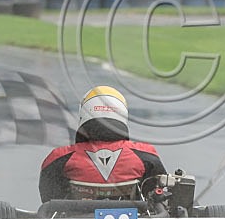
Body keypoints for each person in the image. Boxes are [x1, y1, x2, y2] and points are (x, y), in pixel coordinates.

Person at [39, 86, 167, 203]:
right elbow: (156, 193)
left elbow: (49, 197)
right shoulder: (146, 156)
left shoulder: (60, 157)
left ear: (84, 114)